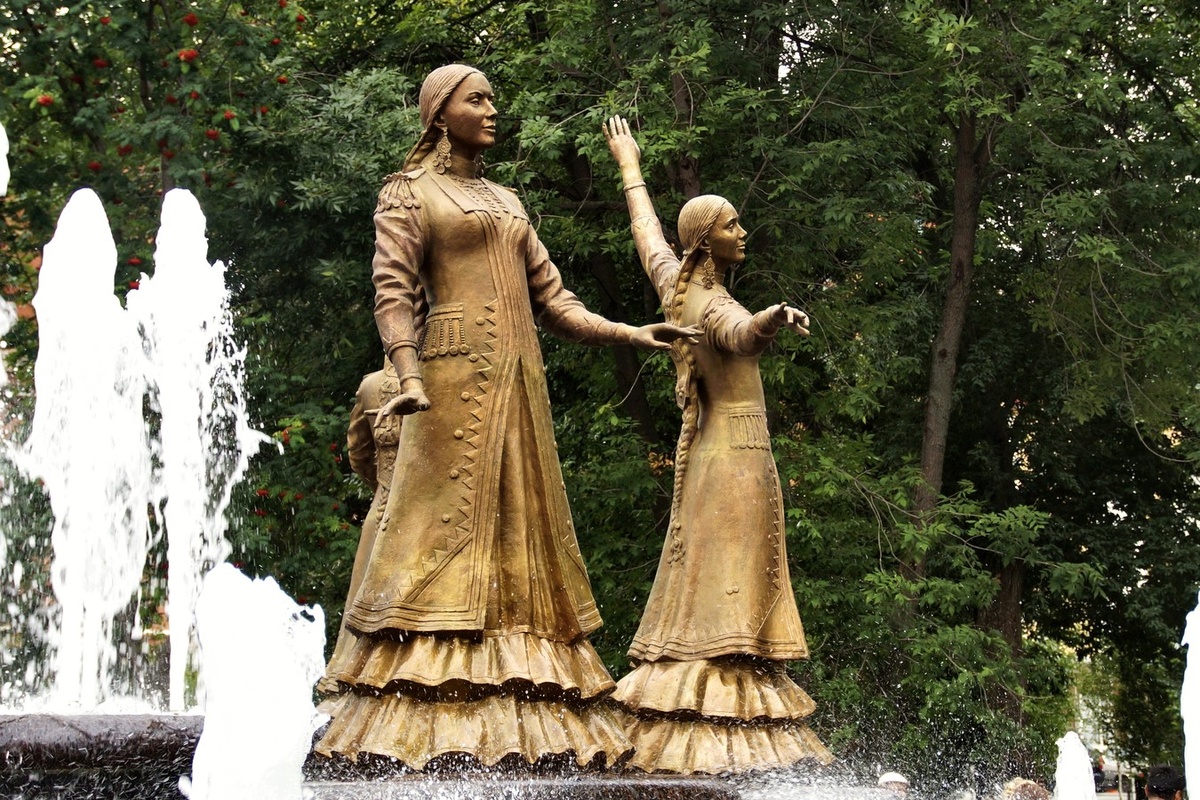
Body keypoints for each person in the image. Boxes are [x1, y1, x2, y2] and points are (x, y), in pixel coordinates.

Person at [313, 65, 698, 769]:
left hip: (519, 384)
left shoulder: (508, 200)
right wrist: (408, 374)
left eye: (493, 97)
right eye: (478, 99)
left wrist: (629, 331)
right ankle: (412, 704)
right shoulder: (409, 191)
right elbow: (392, 290)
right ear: (440, 113)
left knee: (523, 525)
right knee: (435, 529)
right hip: (447, 380)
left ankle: (526, 697)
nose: (493, 109)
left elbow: (555, 300)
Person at [601, 115, 831, 773]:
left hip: (712, 453)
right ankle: (724, 684)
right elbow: (741, 334)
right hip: (738, 455)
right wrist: (775, 317)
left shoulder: (676, 288)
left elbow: (647, 233)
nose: (742, 232)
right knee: (733, 571)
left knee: (703, 566)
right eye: (732, 225)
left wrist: (630, 166)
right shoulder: (711, 306)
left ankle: (695, 674)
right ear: (707, 241)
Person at [316, 359, 401, 695]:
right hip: (435, 516)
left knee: (367, 604)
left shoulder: (371, 387)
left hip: (384, 510)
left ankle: (352, 680)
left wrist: (382, 487)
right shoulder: (445, 383)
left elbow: (359, 454)